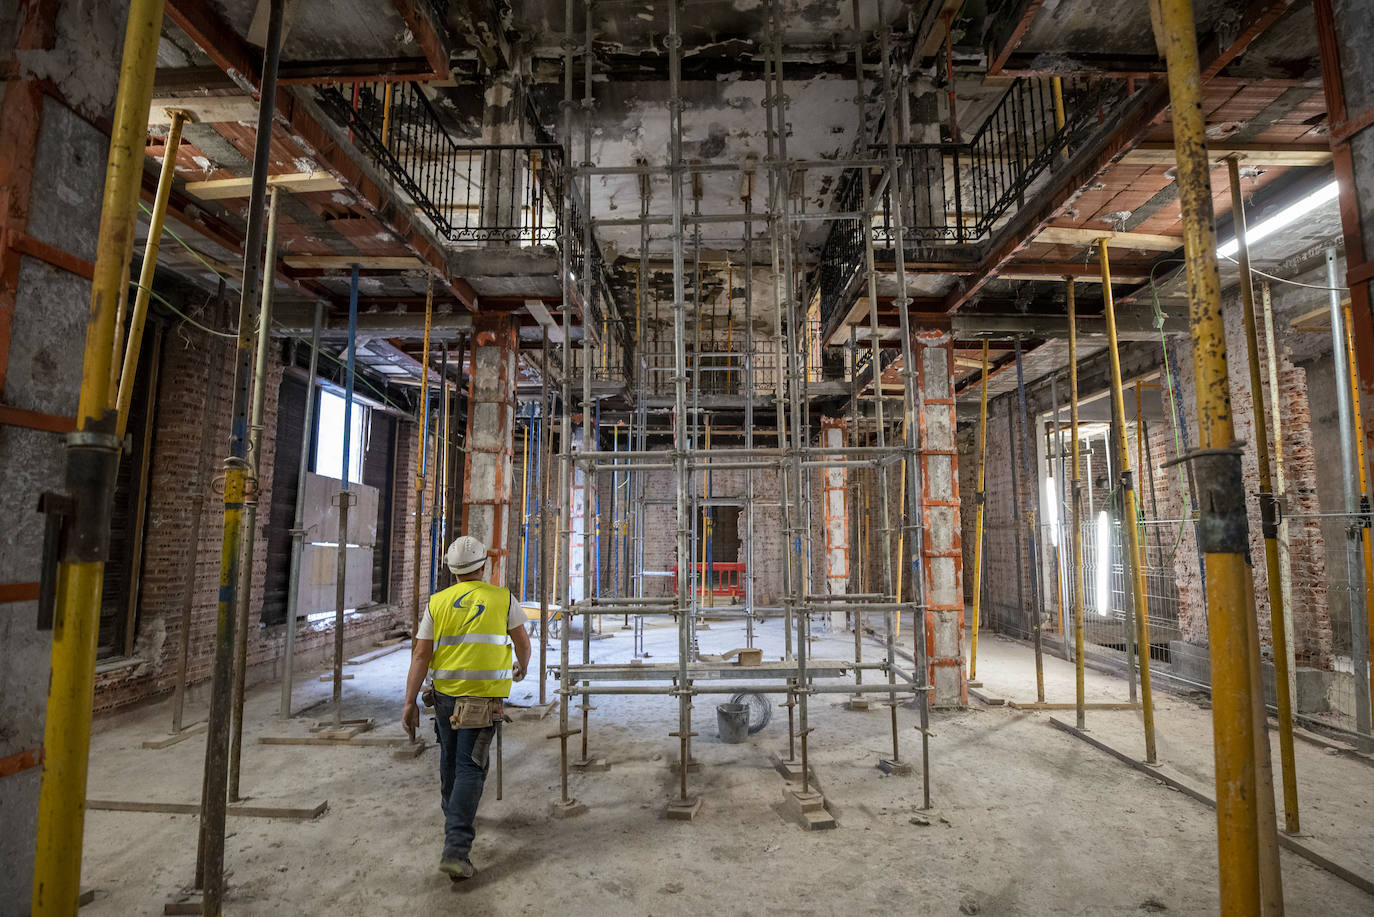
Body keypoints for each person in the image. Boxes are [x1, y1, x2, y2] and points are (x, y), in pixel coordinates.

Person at [402, 535, 531, 881]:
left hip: (444, 697)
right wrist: (523, 666)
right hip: (483, 701)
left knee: (449, 760)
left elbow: (420, 654)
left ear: (451, 569)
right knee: (470, 767)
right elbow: (522, 642)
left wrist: (409, 701)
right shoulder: (502, 598)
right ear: (484, 565)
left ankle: (453, 816)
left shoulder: (438, 602)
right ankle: (456, 849)